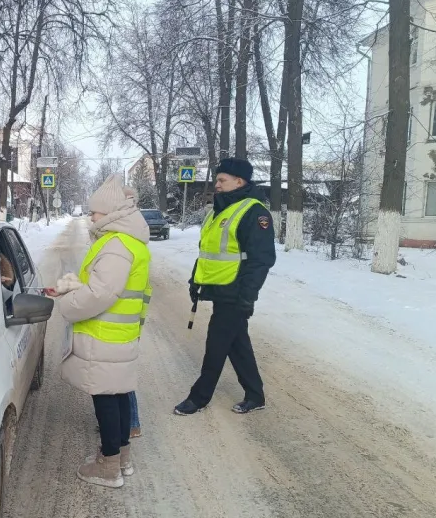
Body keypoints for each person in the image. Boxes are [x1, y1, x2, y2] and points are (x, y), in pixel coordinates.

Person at [48, 175, 151, 488]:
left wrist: (67, 304)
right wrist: (75, 286)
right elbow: (111, 288)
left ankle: (108, 467)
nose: (91, 217)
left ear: (111, 214)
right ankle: (122, 460)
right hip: (120, 333)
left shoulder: (116, 245)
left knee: (106, 400)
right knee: (117, 397)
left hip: (104, 334)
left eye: (95, 212)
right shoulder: (129, 242)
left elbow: (101, 294)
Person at [174, 157, 276, 416]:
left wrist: (248, 296)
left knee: (217, 344)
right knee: (237, 343)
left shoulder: (254, 212)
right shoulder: (218, 210)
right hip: (219, 289)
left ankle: (199, 398)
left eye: (222, 180)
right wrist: (196, 281)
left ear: (239, 181)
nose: (216, 184)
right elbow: (206, 252)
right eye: (217, 179)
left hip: (236, 292)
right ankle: (255, 395)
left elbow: (261, 259)